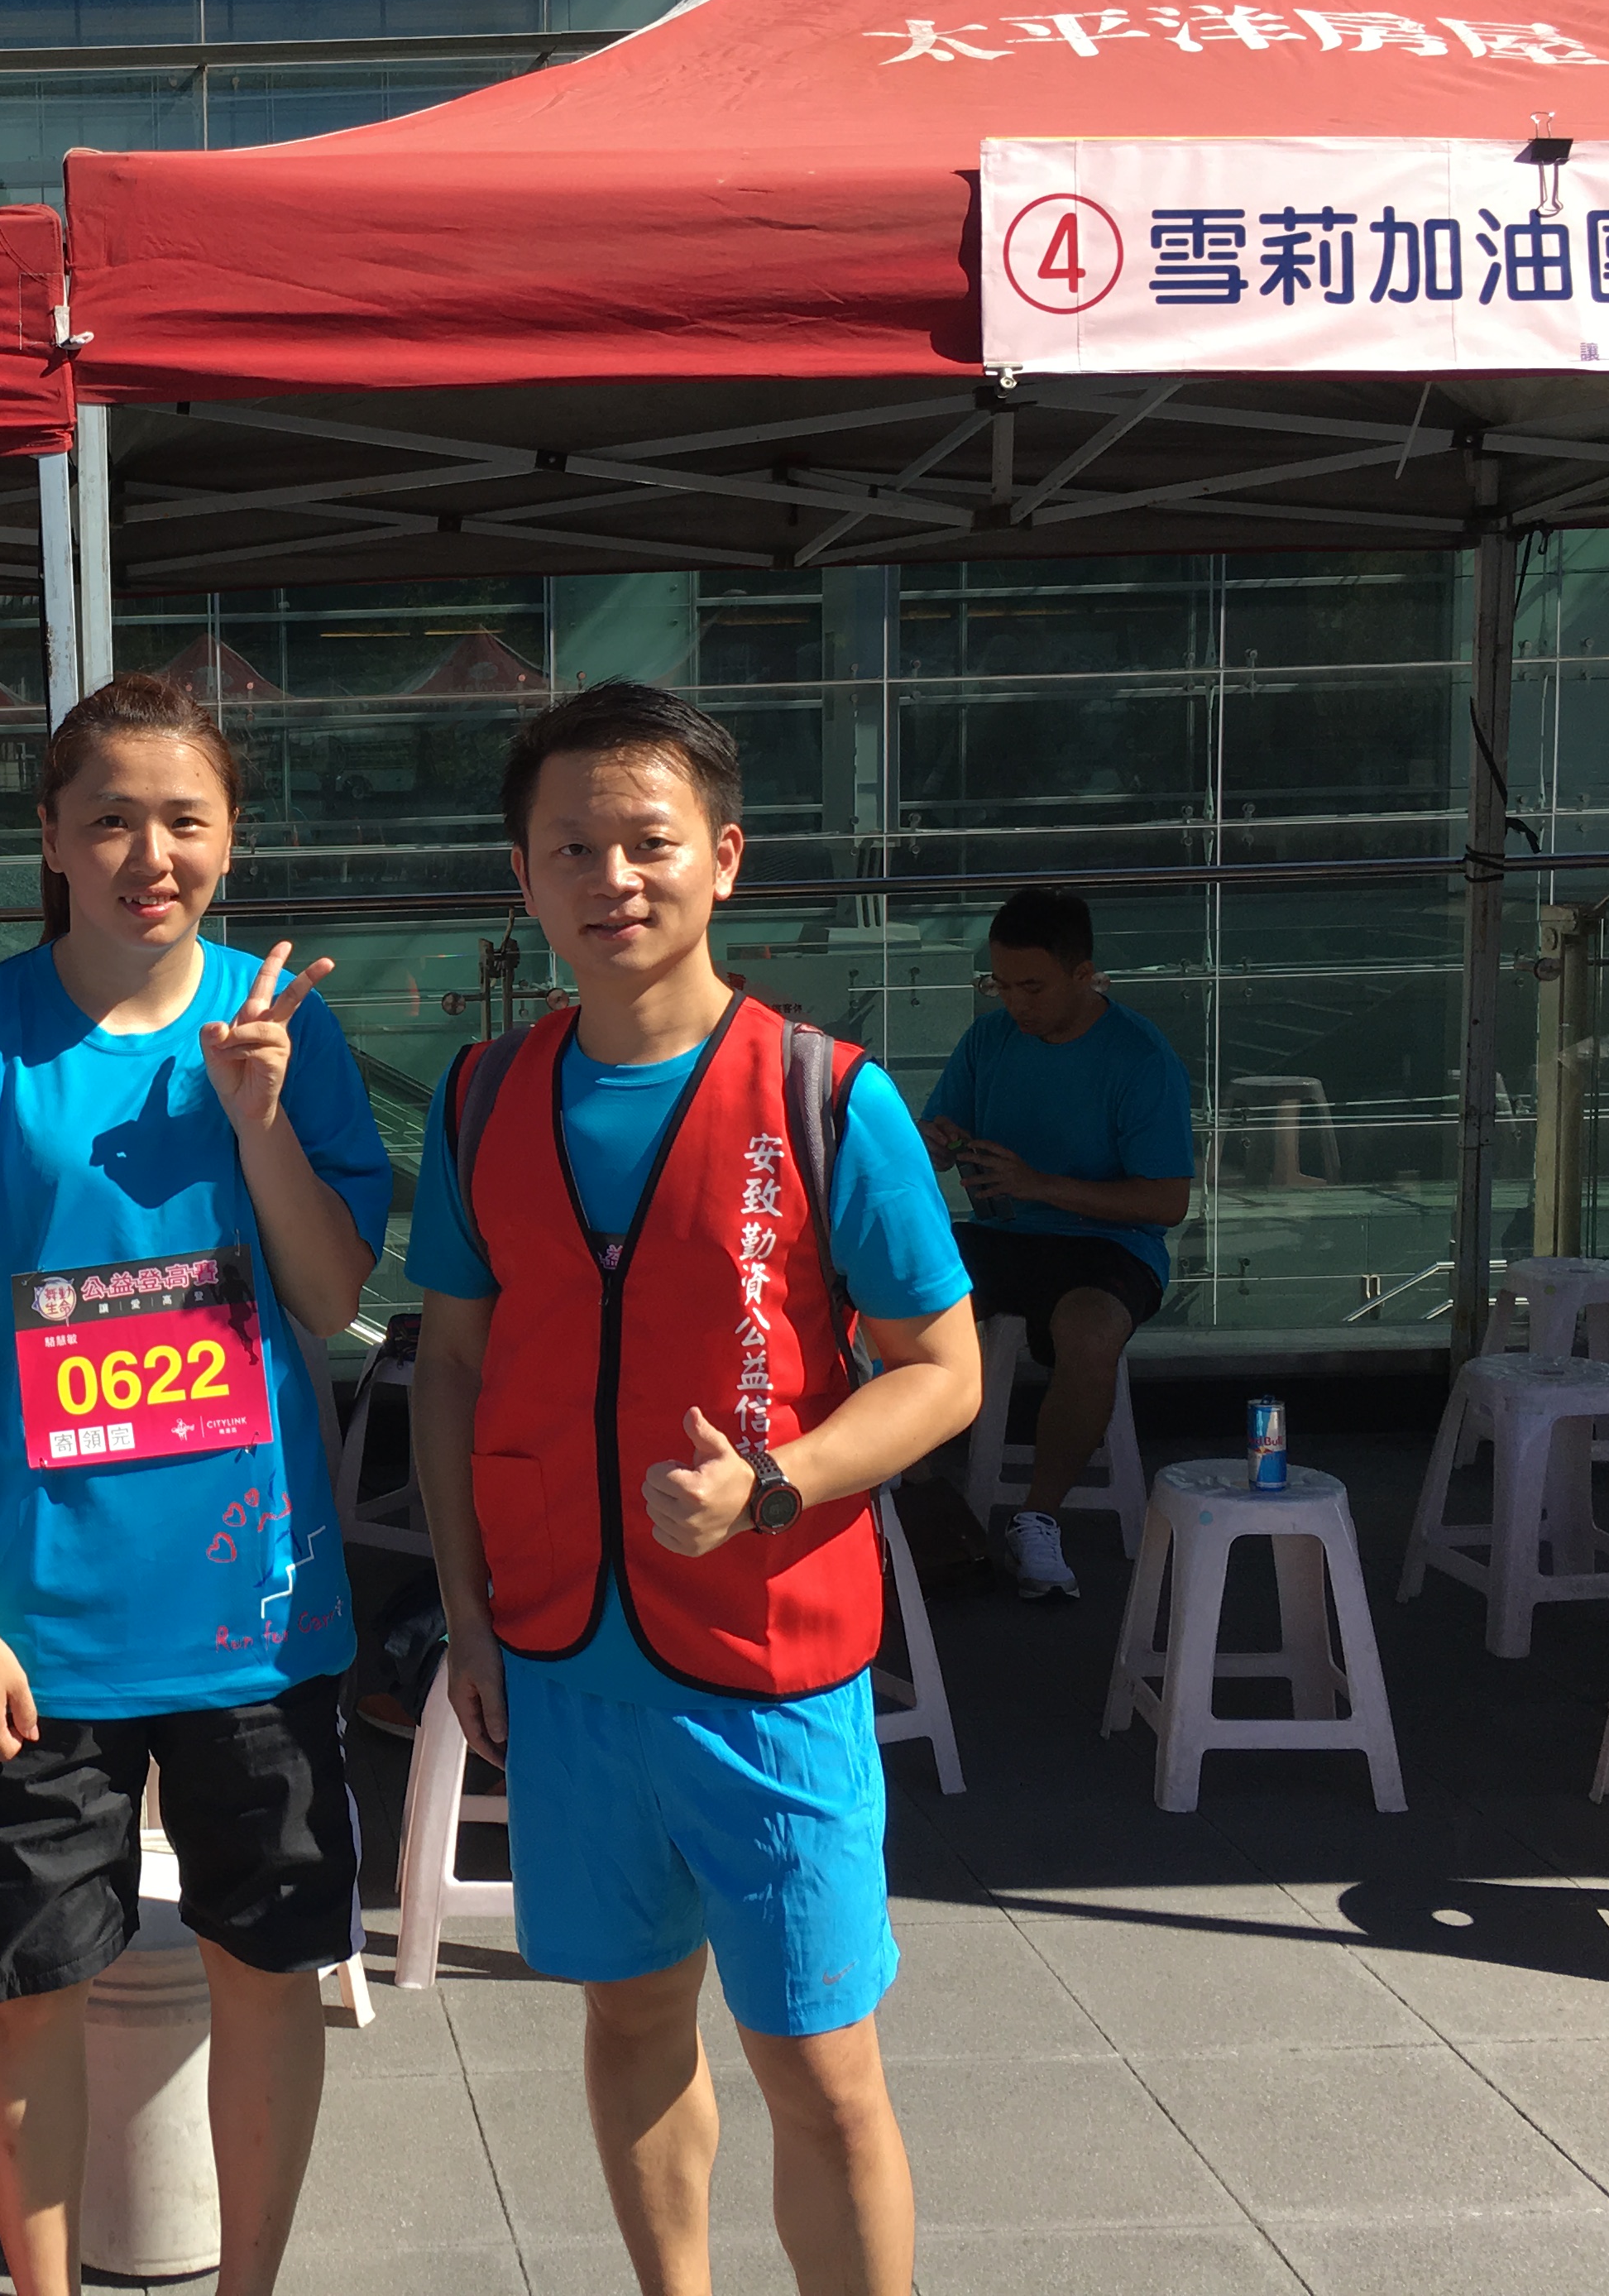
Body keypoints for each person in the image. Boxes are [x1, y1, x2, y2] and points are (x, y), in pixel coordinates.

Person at [407, 683, 981, 2296]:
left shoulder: (824, 1094)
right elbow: (451, 1365)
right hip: (564, 1663)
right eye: (570, 847)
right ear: (523, 876)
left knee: (820, 2063)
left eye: (648, 841)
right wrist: (465, 1611)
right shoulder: (481, 1095)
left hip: (766, 1669)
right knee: (632, 2014)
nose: (613, 877)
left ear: (724, 857)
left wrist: (779, 1480)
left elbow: (943, 1367)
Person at [0, 674, 389, 2296]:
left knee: (268, 1967)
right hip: (40, 1628)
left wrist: (259, 1120)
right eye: (109, 819)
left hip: (256, 1612)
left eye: (183, 820)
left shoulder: (284, 1025)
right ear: (49, 836)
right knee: (21, 1990)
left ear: (232, 839)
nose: (147, 855)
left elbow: (330, 1294)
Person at [917, 886, 1194, 1604]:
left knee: (1088, 1331)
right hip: (1001, 1234)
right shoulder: (988, 1041)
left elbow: (1167, 1202)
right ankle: (912, 1491)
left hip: (1109, 1244)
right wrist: (938, 1143)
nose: (1015, 1003)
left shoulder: (1140, 1057)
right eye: (1001, 985)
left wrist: (1039, 1184)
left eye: (1032, 987)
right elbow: (935, 1133)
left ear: (1084, 975)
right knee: (892, 1294)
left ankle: (1037, 1517)